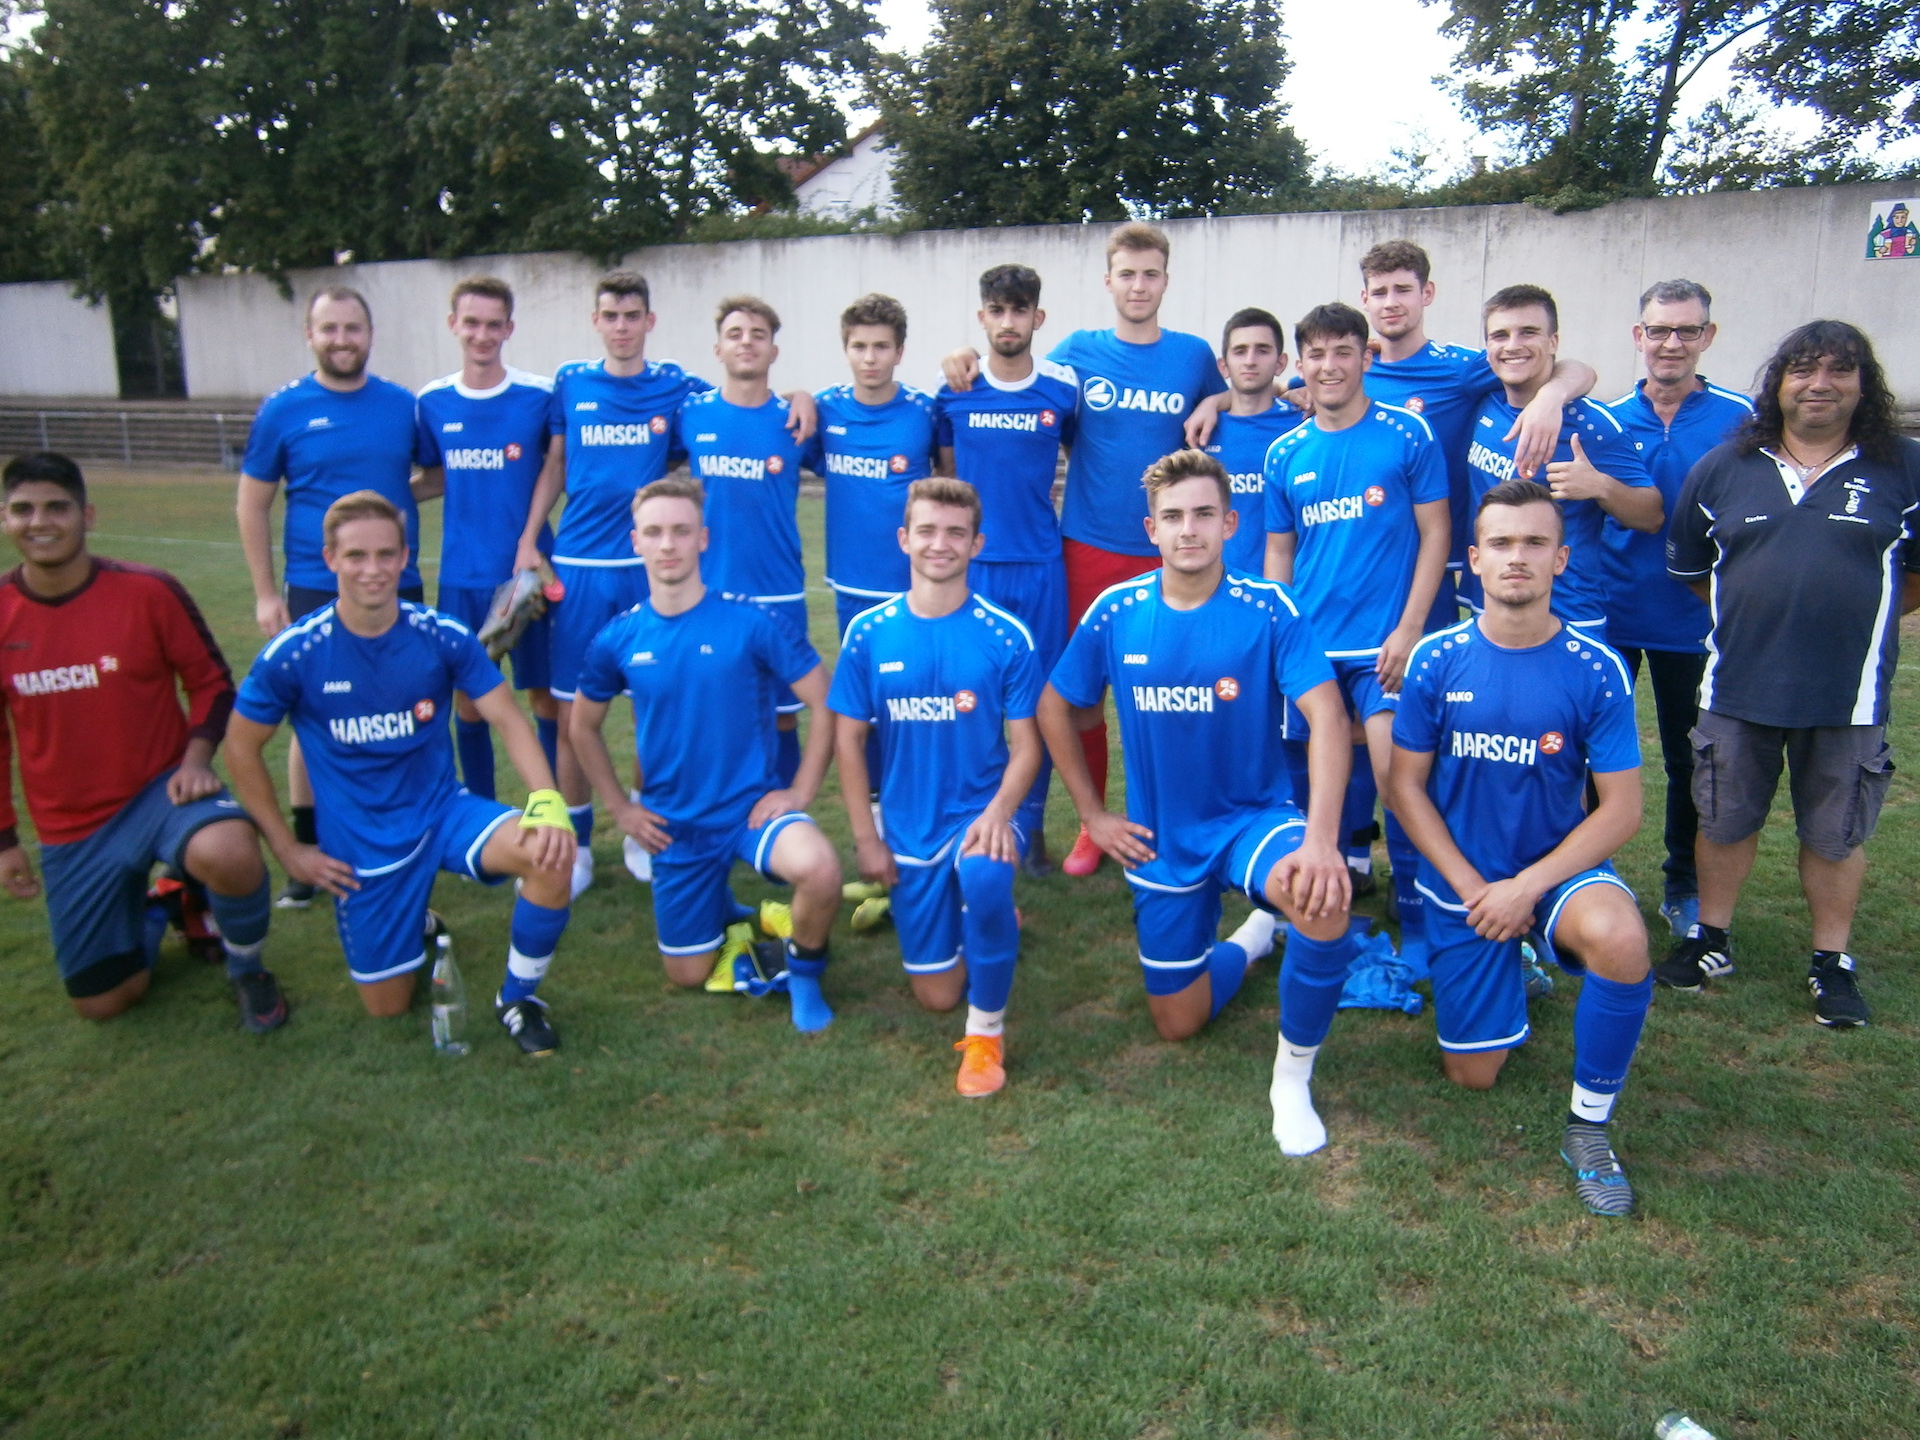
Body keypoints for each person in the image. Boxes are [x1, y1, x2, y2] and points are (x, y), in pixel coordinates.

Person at [1039, 449, 1363, 1157]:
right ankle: (1250, 940)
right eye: (1174, 517)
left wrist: (1321, 841)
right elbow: (1056, 706)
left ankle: (1291, 1080)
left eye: (1204, 515)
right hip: (1161, 838)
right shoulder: (1116, 612)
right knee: (1177, 1022)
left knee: (1322, 901)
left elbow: (1329, 718)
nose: (1189, 529)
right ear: (1151, 528)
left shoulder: (1268, 607)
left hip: (1252, 820)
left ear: (1229, 524)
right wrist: (1093, 815)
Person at [225, 492, 577, 1053]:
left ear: (405, 557)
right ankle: (416, 920)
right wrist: (289, 850)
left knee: (551, 854)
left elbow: (508, 719)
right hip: (360, 845)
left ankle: (518, 999)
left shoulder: (441, 635)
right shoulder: (295, 654)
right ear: (330, 559)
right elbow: (241, 749)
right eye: (356, 555)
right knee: (387, 1007)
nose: (373, 569)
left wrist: (547, 801)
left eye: (386, 554)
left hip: (441, 812)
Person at [1387, 479, 1652, 1216]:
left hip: (1555, 873)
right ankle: (1521, 968)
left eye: (1535, 542)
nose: (1517, 557)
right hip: (1464, 886)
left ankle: (1588, 1130)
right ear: (1473, 560)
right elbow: (1405, 787)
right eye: (1500, 543)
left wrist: (1526, 888)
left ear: (1560, 559)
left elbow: (1623, 810)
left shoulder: (1596, 668)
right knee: (1473, 1076)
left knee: (1622, 939)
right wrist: (1479, 889)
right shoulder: (1436, 660)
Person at [945, 223, 1227, 877]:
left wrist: (1215, 397)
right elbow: (1016, 375)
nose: (1138, 286)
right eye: (1127, 274)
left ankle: (1190, 824)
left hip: (1168, 553)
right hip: (1085, 547)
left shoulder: (1191, 356)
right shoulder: (1076, 354)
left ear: (1166, 280)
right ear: (1109, 281)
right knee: (1080, 697)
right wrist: (960, 354)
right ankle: (1090, 824)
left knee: (1182, 690)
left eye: (1150, 274)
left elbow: (1237, 392)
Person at [1660, 320, 1920, 1028]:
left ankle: (1831, 961)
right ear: (1778, 383)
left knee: (1835, 834)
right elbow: (1695, 571)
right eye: (1803, 370)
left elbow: (1913, 578)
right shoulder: (1724, 467)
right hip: (1737, 688)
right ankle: (1710, 939)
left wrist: (1849, 613)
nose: (1819, 384)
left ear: (1863, 385)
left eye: (1839, 370)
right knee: (1723, 819)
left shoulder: (1903, 467)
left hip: (1847, 695)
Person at [0, 453, 287, 1031]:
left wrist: (196, 760)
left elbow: (212, 683)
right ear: (5, 519)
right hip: (71, 822)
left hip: (164, 791)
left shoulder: (148, 591)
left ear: (87, 515)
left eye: (57, 507)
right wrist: (5, 840)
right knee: (104, 1002)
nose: (41, 522)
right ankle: (167, 902)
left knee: (229, 851)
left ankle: (246, 968)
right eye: (23, 509)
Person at [569, 478, 843, 1034]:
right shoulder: (618, 638)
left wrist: (800, 790)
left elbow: (826, 700)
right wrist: (621, 809)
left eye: (681, 530)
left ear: (703, 539)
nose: (667, 544)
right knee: (688, 974)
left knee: (820, 870)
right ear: (636, 542)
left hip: (748, 812)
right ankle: (724, 908)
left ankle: (803, 974)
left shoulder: (751, 622)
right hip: (674, 827)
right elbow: (582, 727)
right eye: (654, 532)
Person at [829, 478, 1043, 1096]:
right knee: (937, 994)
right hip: (907, 825)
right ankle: (987, 920)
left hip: (981, 810)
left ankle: (985, 1038)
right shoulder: (868, 632)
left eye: (955, 533)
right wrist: (867, 839)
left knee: (984, 874)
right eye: (926, 530)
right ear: (904, 538)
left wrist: (999, 813)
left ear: (977, 544)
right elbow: (848, 741)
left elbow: (1028, 746)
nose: (939, 544)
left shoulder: (1006, 635)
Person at [1263, 303, 1451, 962]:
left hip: (1383, 647)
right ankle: (1315, 906)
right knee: (1311, 786)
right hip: (1312, 647)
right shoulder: (1285, 452)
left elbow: (1436, 533)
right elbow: (1280, 553)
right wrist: (1280, 637)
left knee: (1398, 775)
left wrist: (1410, 628)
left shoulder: (1407, 434)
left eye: (1342, 351)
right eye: (1316, 354)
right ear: (1300, 364)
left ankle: (1419, 924)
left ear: (1366, 357)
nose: (1329, 366)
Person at [521, 272, 713, 899]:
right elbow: (555, 462)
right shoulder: (571, 382)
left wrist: (795, 397)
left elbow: (739, 400)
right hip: (579, 569)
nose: (622, 326)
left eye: (633, 315)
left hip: (648, 567)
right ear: (596, 321)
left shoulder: (677, 386)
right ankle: (576, 847)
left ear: (649, 322)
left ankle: (643, 830)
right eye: (612, 315)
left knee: (655, 706)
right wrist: (529, 537)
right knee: (573, 713)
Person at [236, 285, 425, 909]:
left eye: (352, 328)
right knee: (315, 714)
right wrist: (266, 593)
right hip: (316, 584)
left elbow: (432, 473)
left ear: (369, 335)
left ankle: (408, 837)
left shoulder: (401, 406)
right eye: (330, 329)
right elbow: (253, 503)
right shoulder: (284, 409)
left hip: (396, 578)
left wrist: (390, 509)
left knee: (405, 707)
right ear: (310, 335)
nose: (342, 340)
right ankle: (308, 845)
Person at [1602, 280, 1754, 938]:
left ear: (1707, 337)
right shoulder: (1605, 419)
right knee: (1590, 754)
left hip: (1696, 620)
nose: (1671, 343)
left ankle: (1683, 886)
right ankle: (1589, 876)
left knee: (1691, 761)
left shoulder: (1744, 420)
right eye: (1659, 329)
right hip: (1609, 615)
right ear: (1638, 336)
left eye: (1686, 330)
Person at [933, 263, 1079, 873]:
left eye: (1020, 310)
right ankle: (967, 819)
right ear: (982, 317)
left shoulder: (1063, 390)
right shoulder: (955, 391)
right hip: (975, 570)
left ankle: (1030, 825)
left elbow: (1086, 455)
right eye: (998, 310)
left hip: (1040, 568)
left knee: (1037, 702)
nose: (1009, 321)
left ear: (1038, 318)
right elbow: (946, 476)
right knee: (969, 699)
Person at [412, 275, 563, 802]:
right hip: (462, 577)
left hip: (528, 574)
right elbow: (435, 476)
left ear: (509, 329)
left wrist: (528, 539)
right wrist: (380, 499)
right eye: (471, 323)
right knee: (470, 703)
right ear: (453, 324)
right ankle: (482, 811)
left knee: (545, 699)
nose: (482, 335)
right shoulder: (432, 401)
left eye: (493, 324)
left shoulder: (538, 396)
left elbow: (556, 466)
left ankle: (553, 808)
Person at [676, 296, 822, 790]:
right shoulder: (690, 414)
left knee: (783, 715)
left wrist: (803, 396)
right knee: (710, 713)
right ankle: (713, 814)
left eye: (758, 335)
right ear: (717, 349)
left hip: (779, 592)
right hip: (709, 592)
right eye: (735, 334)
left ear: (773, 351)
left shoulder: (796, 422)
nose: (747, 343)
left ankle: (786, 816)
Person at [1466, 284, 1661, 641]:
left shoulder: (1592, 426)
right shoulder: (1481, 399)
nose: (1513, 345)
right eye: (1500, 335)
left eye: (1529, 332)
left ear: (1553, 341)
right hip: (1490, 610)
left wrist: (1600, 486)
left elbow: (1651, 515)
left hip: (1568, 616)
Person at [815, 294, 938, 641]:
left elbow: (951, 473)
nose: (870, 358)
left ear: (899, 352)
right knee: (857, 673)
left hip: (911, 580)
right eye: (859, 346)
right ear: (846, 350)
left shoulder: (925, 412)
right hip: (849, 580)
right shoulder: (825, 409)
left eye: (881, 347)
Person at [1204, 307, 1305, 576]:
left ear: (1280, 363)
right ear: (1223, 366)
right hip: (1218, 586)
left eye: (1262, 350)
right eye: (1240, 351)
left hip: (1287, 584)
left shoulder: (1303, 425)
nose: (1250, 360)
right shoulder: (1202, 430)